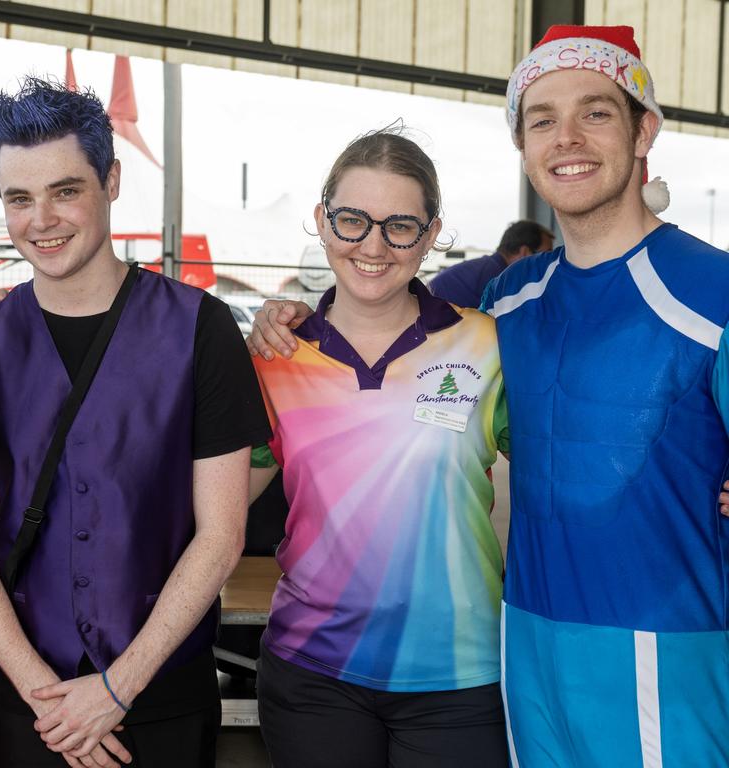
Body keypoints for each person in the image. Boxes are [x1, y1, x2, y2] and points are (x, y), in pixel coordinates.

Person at [250, 25, 729, 767]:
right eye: (542, 118)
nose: (566, 136)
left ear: (646, 131)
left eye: (596, 112)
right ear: (523, 144)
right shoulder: (509, 302)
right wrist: (274, 318)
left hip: (664, 644)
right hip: (523, 647)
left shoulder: (713, 289)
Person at [0, 77, 270, 768]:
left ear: (110, 181)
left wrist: (117, 689)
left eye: (66, 190)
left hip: (161, 692)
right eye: (19, 199)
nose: (43, 219)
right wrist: (48, 698)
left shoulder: (200, 327)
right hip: (26, 698)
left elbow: (222, 531)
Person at [248, 127, 509, 768]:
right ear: (321, 219)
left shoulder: (487, 346)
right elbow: (202, 507)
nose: (372, 246)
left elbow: (570, 464)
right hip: (313, 672)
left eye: (400, 226)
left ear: (431, 233)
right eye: (352, 220)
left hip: (459, 674)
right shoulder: (272, 358)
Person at [428, 220, 554, 307]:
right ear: (525, 252)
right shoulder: (498, 278)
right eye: (546, 255)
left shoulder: (489, 268)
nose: (549, 262)